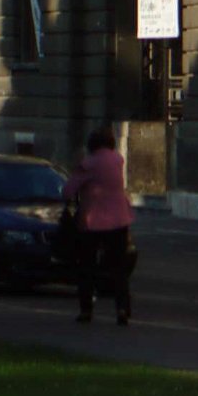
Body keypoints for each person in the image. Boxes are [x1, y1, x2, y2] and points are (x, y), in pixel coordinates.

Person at [63, 123, 133, 327]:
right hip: (120, 219)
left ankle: (86, 309)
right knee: (119, 268)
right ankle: (122, 308)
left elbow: (68, 191)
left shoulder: (89, 164)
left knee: (87, 267)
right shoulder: (117, 160)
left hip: (93, 221)